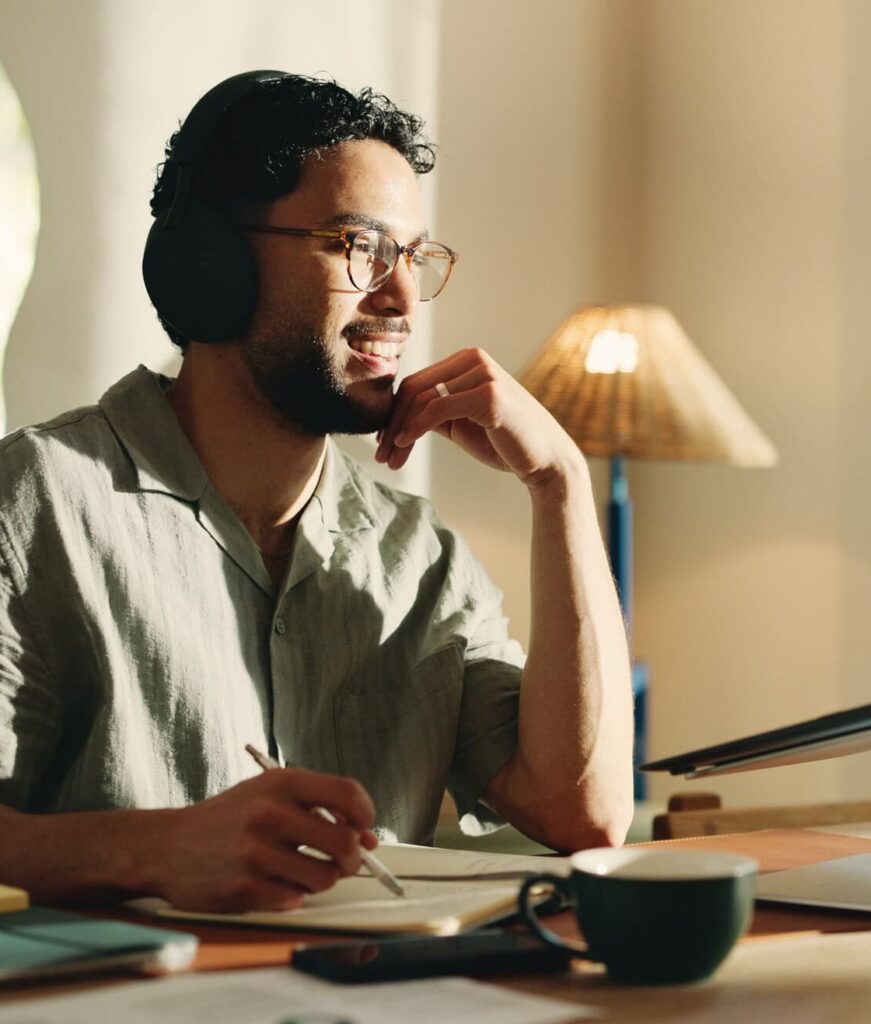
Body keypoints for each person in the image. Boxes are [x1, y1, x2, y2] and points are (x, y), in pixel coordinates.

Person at [0, 72, 633, 912]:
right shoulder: (39, 501)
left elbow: (583, 813)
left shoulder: (420, 558)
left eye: (412, 257)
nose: (402, 297)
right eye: (358, 246)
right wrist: (159, 850)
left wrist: (559, 483)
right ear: (212, 263)